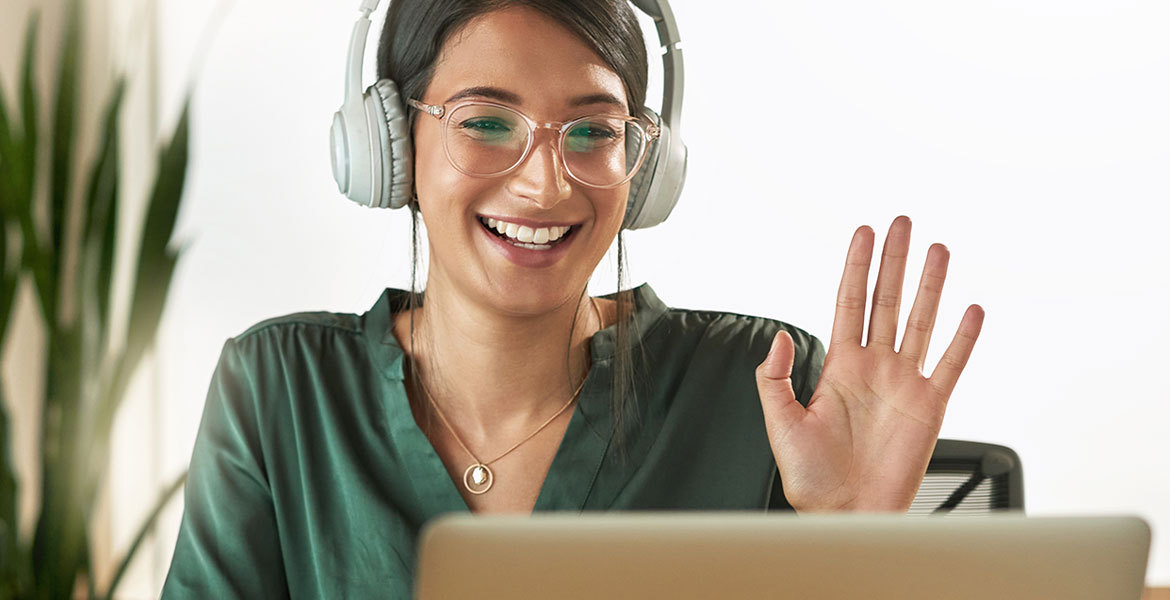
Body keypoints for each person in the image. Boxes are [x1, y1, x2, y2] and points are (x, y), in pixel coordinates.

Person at [161, 0, 984, 597]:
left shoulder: (761, 386)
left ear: (645, 169)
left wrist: (855, 545)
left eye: (593, 131)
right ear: (391, 145)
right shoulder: (280, 390)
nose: (545, 181)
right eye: (485, 121)